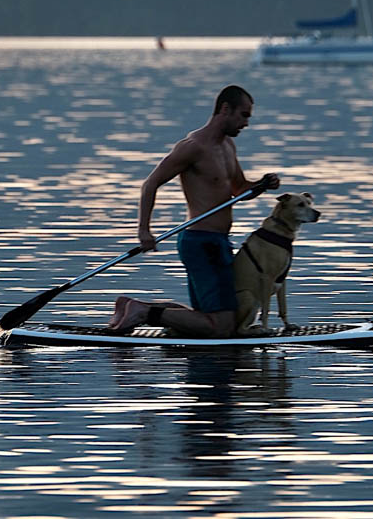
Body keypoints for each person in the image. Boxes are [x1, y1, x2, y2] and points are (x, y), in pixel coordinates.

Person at [107, 85, 280, 337]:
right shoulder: (193, 147)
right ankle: (144, 312)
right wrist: (144, 231)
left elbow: (239, 188)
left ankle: (133, 307)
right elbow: (150, 184)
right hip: (201, 242)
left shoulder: (228, 146)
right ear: (225, 109)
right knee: (221, 327)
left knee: (207, 319)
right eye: (243, 115)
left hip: (219, 242)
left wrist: (262, 184)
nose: (246, 123)